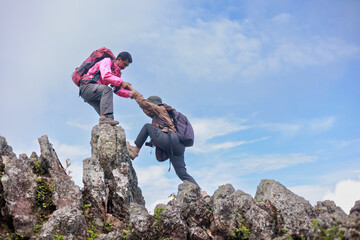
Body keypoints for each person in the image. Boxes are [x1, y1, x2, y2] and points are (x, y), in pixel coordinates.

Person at [126, 87, 210, 198]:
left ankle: (135, 150)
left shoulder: (160, 109)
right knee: (182, 174)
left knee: (147, 127)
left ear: (154, 104)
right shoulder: (163, 114)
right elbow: (146, 110)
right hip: (178, 146)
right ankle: (202, 193)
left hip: (171, 140)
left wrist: (132, 90)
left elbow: (144, 104)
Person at [79, 51, 133, 126]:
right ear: (119, 59)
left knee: (110, 118)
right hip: (87, 87)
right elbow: (106, 76)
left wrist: (129, 94)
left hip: (96, 92)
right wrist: (121, 82)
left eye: (126, 66)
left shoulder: (116, 73)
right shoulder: (107, 61)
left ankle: (106, 123)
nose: (124, 67)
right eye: (124, 64)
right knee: (107, 90)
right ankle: (103, 118)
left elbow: (117, 89)